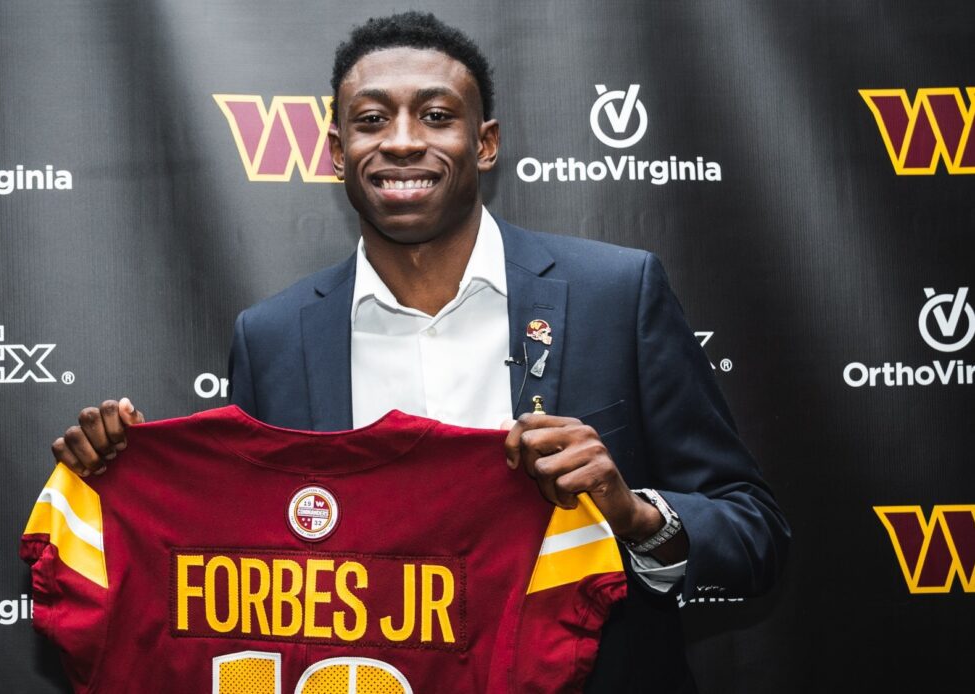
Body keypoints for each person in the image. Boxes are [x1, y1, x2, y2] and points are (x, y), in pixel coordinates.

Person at [51, 12, 789, 692]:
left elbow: (754, 533)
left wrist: (632, 514)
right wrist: (119, 486)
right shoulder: (272, 338)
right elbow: (248, 572)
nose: (402, 140)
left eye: (436, 116)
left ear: (486, 142)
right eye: (372, 121)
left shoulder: (616, 295)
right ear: (339, 152)